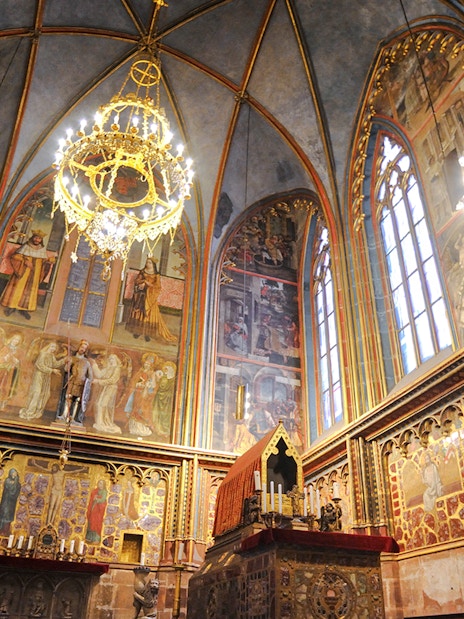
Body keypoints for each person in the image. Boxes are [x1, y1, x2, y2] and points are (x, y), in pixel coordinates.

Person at [0, 230, 54, 320]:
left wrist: (48, 261)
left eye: (39, 239)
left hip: (35, 274)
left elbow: (43, 261)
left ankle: (24, 309)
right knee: (17, 289)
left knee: (30, 291)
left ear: (41, 240)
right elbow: (15, 257)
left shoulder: (41, 249)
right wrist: (25, 261)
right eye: (36, 238)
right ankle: (11, 307)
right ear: (33, 238)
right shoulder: (26, 246)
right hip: (23, 272)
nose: (37, 240)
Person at [125, 256, 177, 343]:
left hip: (150, 298)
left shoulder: (156, 275)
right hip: (141, 296)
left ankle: (147, 334)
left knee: (149, 315)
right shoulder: (142, 272)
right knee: (140, 314)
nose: (147, 264)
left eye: (149, 262)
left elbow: (157, 287)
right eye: (146, 262)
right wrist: (142, 283)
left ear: (153, 264)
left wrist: (147, 283)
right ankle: (138, 332)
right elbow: (137, 281)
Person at [19, 340, 66, 420]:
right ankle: (29, 412)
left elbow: (55, 364)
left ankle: (37, 411)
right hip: (39, 375)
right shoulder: (43, 354)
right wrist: (52, 370)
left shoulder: (51, 356)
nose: (53, 349)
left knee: (45, 394)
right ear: (48, 346)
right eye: (52, 346)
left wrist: (63, 360)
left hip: (46, 377)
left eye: (54, 347)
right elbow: (39, 365)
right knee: (36, 393)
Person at [56, 339, 93, 424]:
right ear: (79, 347)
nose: (83, 349)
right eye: (82, 347)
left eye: (85, 348)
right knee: (68, 398)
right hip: (72, 381)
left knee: (77, 400)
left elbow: (90, 376)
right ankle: (64, 415)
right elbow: (66, 370)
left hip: (81, 384)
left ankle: (73, 417)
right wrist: (68, 364)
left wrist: (87, 382)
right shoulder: (72, 358)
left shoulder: (86, 362)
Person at [124, 354, 158, 437]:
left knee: (141, 409)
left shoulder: (152, 373)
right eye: (145, 363)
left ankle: (141, 428)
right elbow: (134, 381)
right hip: (137, 392)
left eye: (148, 364)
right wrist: (137, 384)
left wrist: (147, 385)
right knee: (134, 407)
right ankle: (134, 428)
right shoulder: (140, 372)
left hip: (145, 394)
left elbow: (153, 385)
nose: (146, 365)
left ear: (151, 365)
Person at [90, 353, 122, 434]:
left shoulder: (117, 369)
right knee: (98, 404)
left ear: (116, 360)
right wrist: (94, 365)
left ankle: (104, 422)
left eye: (112, 359)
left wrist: (99, 381)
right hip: (104, 388)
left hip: (111, 388)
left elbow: (112, 380)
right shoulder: (108, 368)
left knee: (103, 404)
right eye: (110, 359)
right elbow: (99, 374)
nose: (111, 360)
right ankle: (100, 422)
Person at [152, 361, 176, 438]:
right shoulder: (162, 377)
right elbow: (159, 385)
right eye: (165, 369)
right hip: (159, 398)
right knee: (158, 413)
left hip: (168, 400)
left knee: (166, 414)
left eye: (168, 369)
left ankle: (165, 430)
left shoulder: (173, 380)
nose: (166, 371)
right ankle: (158, 429)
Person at [0, 332, 22, 409]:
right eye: (15, 339)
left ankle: (3, 403)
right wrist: (6, 357)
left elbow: (19, 363)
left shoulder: (18, 351)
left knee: (6, 388)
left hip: (11, 372)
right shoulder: (5, 348)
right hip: (2, 370)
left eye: (18, 340)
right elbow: (1, 358)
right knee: (1, 386)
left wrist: (16, 362)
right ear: (12, 339)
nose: (16, 341)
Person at [0, 468, 21, 535]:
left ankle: (6, 531)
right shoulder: (7, 481)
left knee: (9, 517)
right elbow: (11, 491)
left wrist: (16, 482)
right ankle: (2, 530)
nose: (14, 474)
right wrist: (15, 482)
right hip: (6, 502)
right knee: (4, 516)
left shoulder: (17, 483)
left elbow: (16, 492)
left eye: (15, 473)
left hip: (12, 504)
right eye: (13, 473)